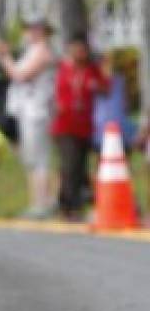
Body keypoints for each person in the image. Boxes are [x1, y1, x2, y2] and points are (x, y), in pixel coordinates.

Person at [0, 16, 56, 219]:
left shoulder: (43, 52)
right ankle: (38, 201)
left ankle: (43, 202)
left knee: (39, 159)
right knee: (30, 158)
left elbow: (20, 75)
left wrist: (5, 58)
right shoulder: (32, 51)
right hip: (26, 112)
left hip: (37, 112)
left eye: (32, 29)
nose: (28, 32)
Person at [51, 32, 109, 220]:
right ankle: (68, 205)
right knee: (70, 164)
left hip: (84, 125)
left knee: (80, 165)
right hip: (65, 125)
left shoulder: (92, 70)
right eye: (75, 49)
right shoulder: (63, 69)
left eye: (82, 50)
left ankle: (76, 203)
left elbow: (106, 89)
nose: (79, 53)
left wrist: (103, 70)